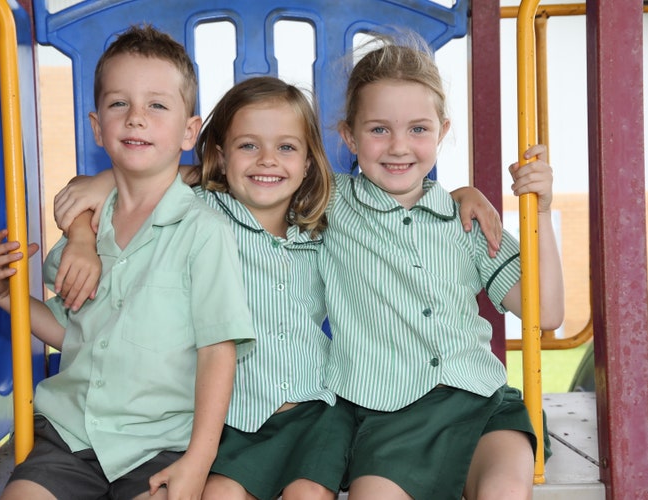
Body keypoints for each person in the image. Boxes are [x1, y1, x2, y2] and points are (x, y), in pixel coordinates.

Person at [52, 74, 502, 500]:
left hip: (316, 411)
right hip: (235, 415)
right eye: (249, 146)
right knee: (221, 493)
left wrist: (462, 192)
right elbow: (133, 180)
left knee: (308, 493)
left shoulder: (324, 223)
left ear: (307, 162)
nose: (267, 160)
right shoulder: (201, 214)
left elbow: (399, 205)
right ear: (222, 156)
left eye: (286, 147)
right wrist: (89, 211)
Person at [0, 25, 255, 500]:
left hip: (161, 445)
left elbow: (219, 351)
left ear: (189, 131)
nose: (135, 118)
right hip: (71, 436)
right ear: (96, 127)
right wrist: (10, 299)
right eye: (118, 104)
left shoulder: (204, 232)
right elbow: (73, 331)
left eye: (157, 105)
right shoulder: (85, 230)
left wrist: (198, 461)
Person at [319, 34, 565, 500]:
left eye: (418, 129)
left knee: (504, 493)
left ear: (442, 131)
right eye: (378, 130)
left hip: (482, 405)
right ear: (349, 135)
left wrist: (544, 212)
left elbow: (546, 313)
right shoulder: (329, 203)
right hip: (388, 417)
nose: (398, 147)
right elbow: (252, 175)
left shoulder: (467, 221)